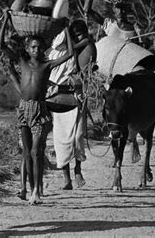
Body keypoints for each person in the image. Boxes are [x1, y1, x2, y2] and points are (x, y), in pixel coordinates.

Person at [0, 12, 74, 204]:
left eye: (40, 47)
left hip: (40, 109)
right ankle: (31, 189)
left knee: (36, 151)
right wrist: (6, 19)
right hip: (24, 108)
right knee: (26, 152)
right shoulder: (22, 62)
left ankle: (36, 192)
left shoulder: (47, 65)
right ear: (27, 48)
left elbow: (70, 53)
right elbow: (1, 45)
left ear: (44, 49)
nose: (37, 50)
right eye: (33, 47)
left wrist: (65, 28)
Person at [49, 19, 97, 190]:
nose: (79, 37)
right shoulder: (53, 53)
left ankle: (78, 169)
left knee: (78, 136)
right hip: (57, 97)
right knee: (61, 140)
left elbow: (86, 49)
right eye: (75, 34)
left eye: (81, 34)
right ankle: (66, 179)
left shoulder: (79, 49)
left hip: (75, 96)